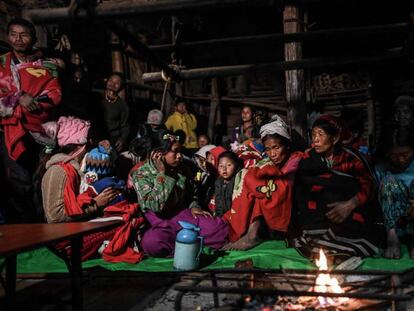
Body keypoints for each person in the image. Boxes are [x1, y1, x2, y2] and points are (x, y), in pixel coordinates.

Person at [292, 115, 381, 260]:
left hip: (349, 213)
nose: (315, 139)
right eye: (313, 135)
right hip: (317, 218)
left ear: (334, 139)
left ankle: (339, 243)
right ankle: (323, 240)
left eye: (321, 134)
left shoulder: (350, 158)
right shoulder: (308, 158)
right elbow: (302, 188)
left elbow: (368, 186)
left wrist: (350, 204)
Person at [0, 18, 62, 222]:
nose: (18, 39)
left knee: (36, 181)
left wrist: (32, 102)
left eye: (24, 34)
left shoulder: (45, 66)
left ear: (33, 38)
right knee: (16, 182)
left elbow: (54, 95)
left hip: (37, 132)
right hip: (7, 130)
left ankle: (36, 231)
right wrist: (18, 98)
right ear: (8, 36)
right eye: (14, 34)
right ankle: (20, 233)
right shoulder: (1, 64)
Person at [131, 130, 228, 257]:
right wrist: (163, 175)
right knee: (152, 243)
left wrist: (194, 206)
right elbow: (156, 206)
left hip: (184, 217)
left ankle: (185, 244)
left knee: (219, 228)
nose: (179, 156)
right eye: (175, 152)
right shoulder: (141, 174)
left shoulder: (183, 169)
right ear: (158, 154)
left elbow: (192, 193)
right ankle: (189, 245)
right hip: (161, 223)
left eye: (180, 151)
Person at [223, 115, 302, 250]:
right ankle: (248, 233)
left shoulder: (296, 160)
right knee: (251, 181)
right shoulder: (271, 162)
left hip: (293, 201)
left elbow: (287, 182)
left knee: (261, 192)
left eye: (276, 147)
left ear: (287, 145)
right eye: (268, 149)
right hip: (276, 192)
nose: (272, 154)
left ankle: (252, 235)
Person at [41, 116, 119, 223]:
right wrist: (95, 204)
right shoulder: (57, 171)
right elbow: (54, 216)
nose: (92, 145)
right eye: (90, 142)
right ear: (79, 145)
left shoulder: (82, 168)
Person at [375, 128, 414, 259]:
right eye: (395, 155)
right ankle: (392, 238)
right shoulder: (380, 168)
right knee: (388, 182)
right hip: (392, 225)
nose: (401, 160)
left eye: (405, 154)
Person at [99, 73, 130, 152]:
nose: (113, 84)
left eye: (117, 83)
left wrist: (122, 139)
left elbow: (125, 125)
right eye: (111, 81)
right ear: (107, 81)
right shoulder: (96, 97)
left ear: (121, 87)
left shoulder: (123, 105)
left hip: (112, 140)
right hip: (96, 137)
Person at [212, 151, 242, 217]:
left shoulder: (240, 180)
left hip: (236, 216)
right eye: (221, 166)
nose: (224, 169)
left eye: (229, 165)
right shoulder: (218, 182)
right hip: (223, 217)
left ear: (236, 165)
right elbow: (218, 203)